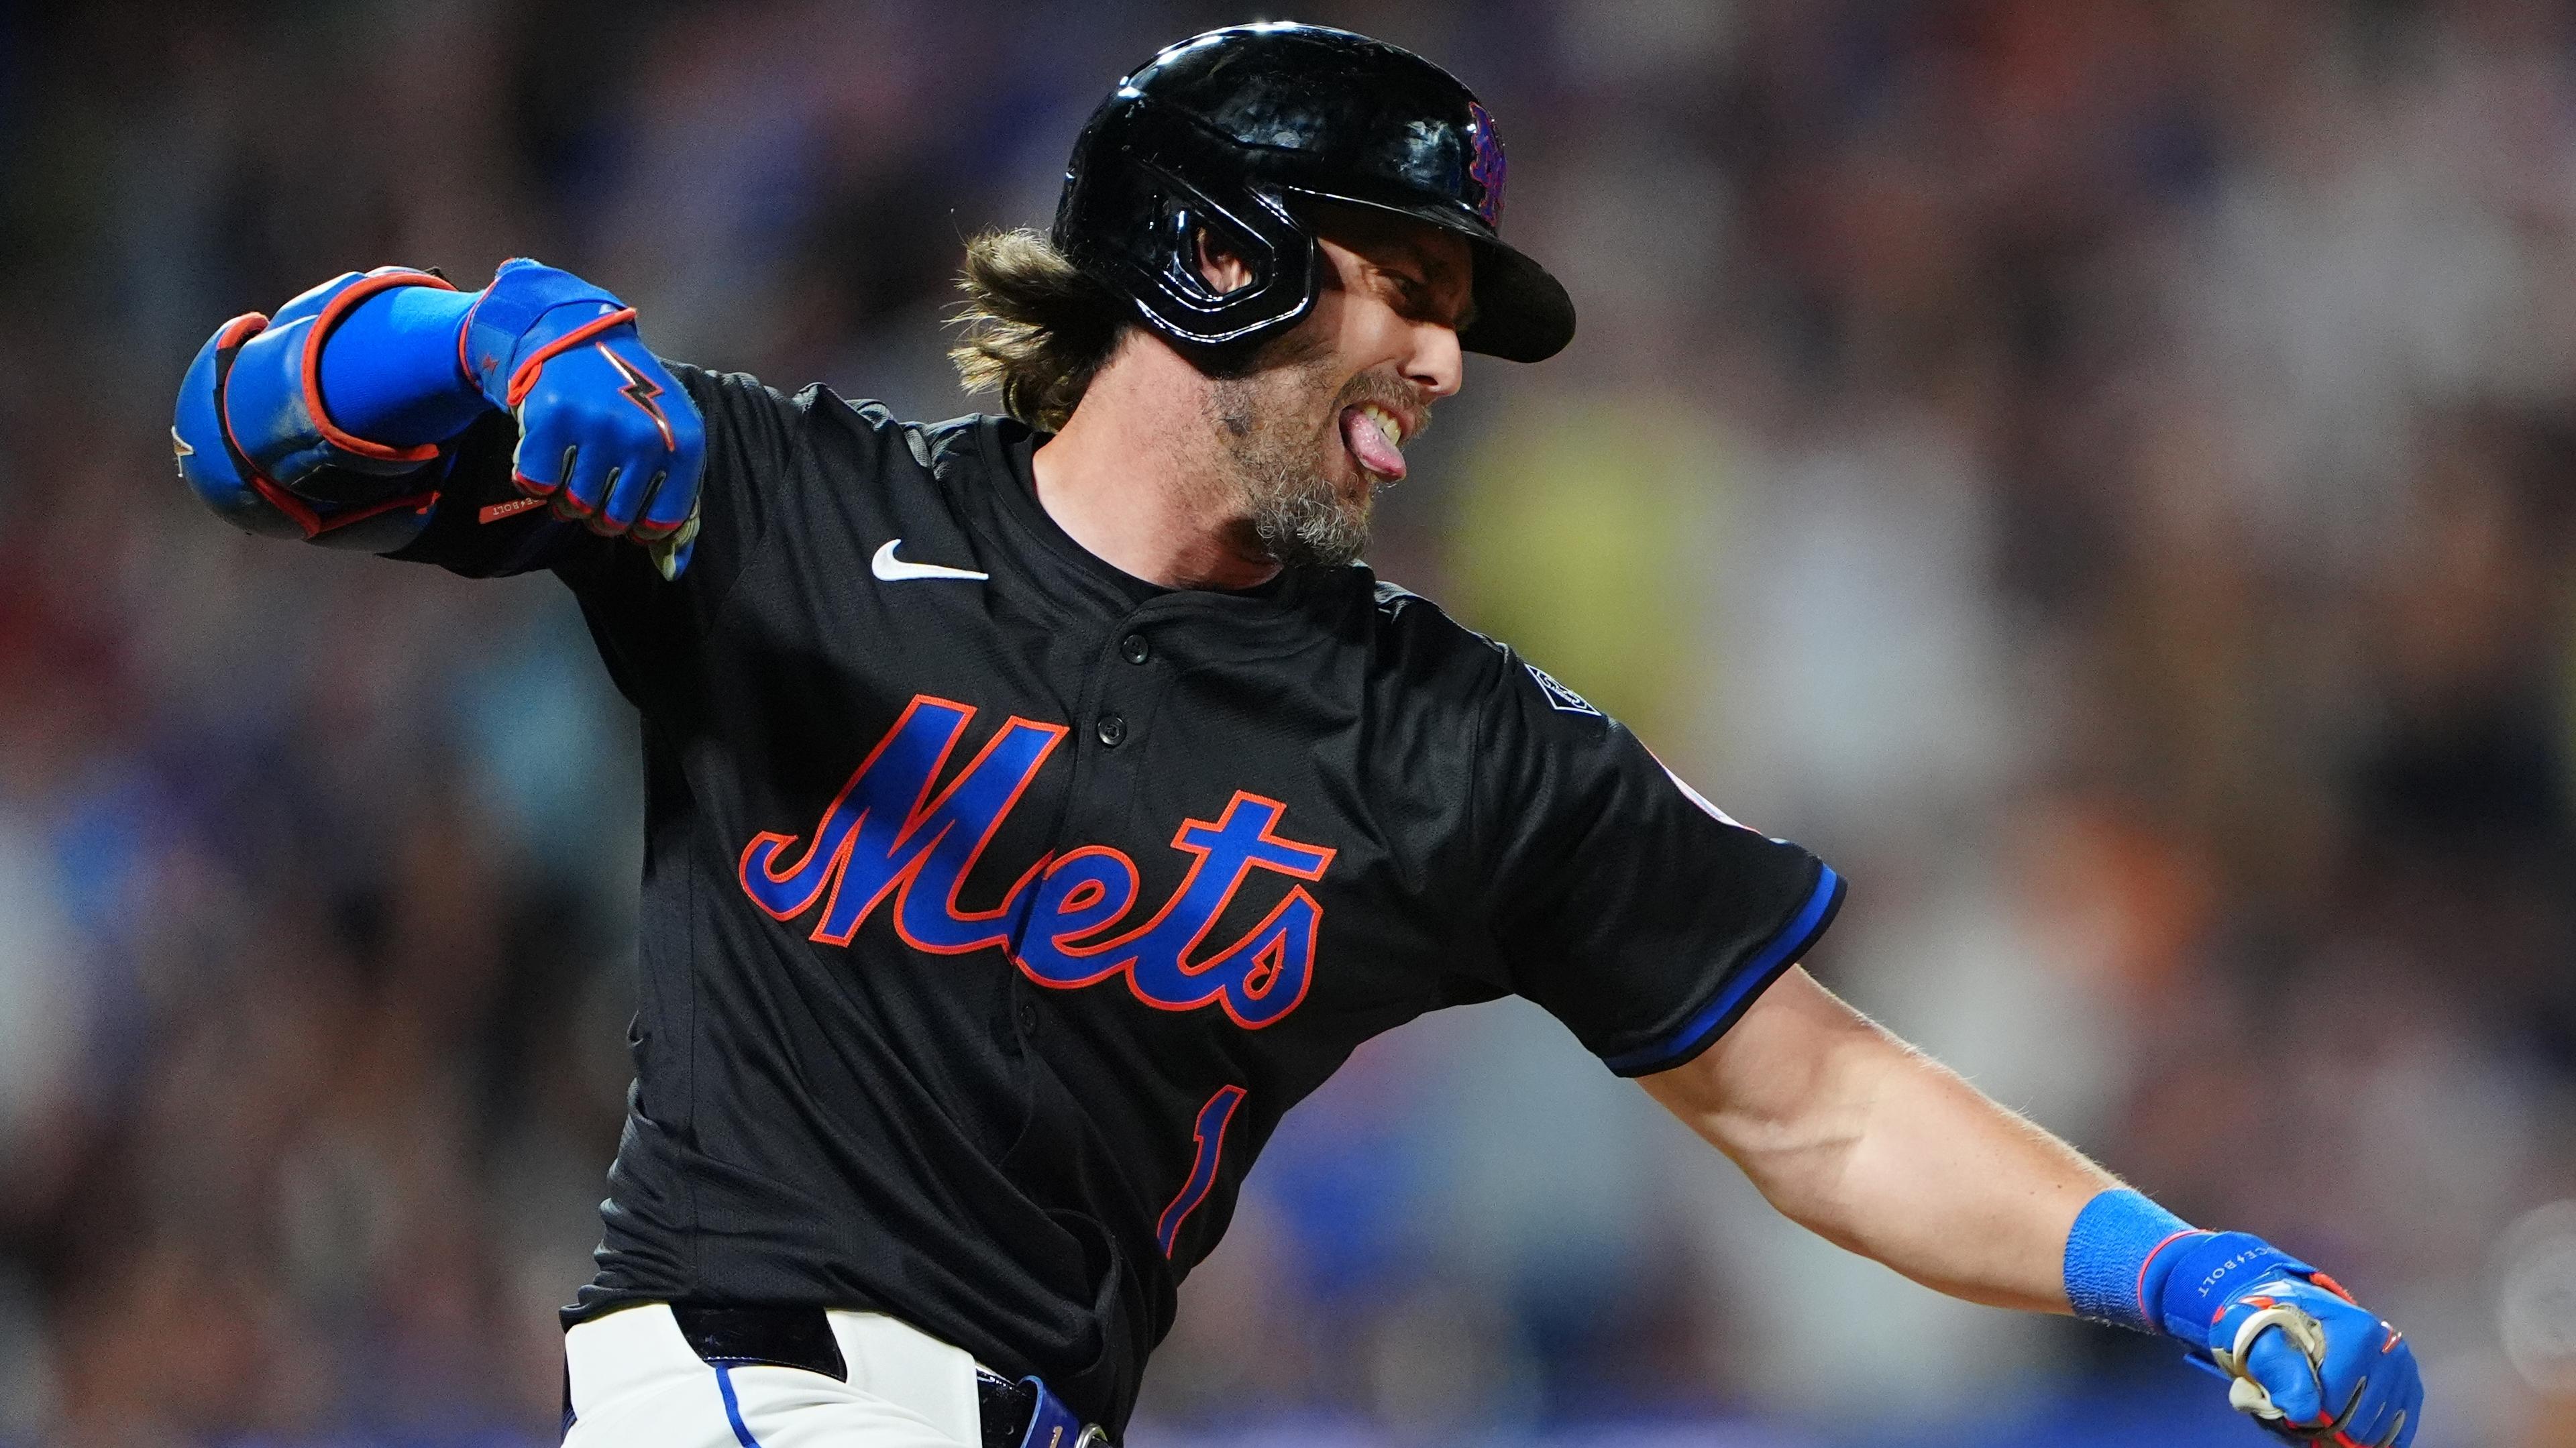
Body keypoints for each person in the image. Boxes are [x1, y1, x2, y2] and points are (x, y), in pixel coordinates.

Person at [169, 22, 2422, 1448]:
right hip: (757, 1396)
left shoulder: (1435, 736)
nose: (1446, 363)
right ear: (1217, 263)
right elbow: (233, 435)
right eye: (1408, 286)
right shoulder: (774, 502)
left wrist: (2188, 1272)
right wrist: (467, 347)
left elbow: (1813, 1101)